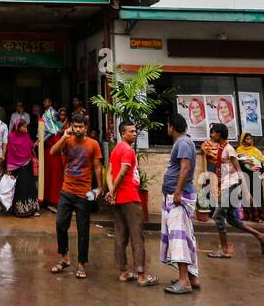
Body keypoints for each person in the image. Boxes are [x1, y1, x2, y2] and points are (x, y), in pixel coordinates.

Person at [49, 112, 103, 279]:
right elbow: (52, 152)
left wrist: (100, 188)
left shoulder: (93, 144)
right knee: (60, 224)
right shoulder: (68, 140)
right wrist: (64, 138)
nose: (78, 129)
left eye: (81, 127)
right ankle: (64, 258)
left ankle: (81, 263)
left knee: (83, 229)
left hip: (84, 192)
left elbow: (97, 167)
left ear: (86, 128)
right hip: (67, 189)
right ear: (71, 126)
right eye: (76, 126)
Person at [204, 123, 264, 258]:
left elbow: (239, 170)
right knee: (231, 218)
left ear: (219, 134)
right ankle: (261, 236)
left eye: (213, 133)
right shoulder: (222, 149)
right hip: (226, 185)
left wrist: (246, 191)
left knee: (217, 216)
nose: (211, 135)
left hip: (232, 186)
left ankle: (224, 251)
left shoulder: (229, 149)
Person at [107, 121, 157, 285]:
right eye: (131, 132)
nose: (134, 134)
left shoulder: (115, 150)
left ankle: (123, 272)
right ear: (123, 133)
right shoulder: (127, 150)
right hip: (129, 196)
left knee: (120, 235)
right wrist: (113, 191)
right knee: (137, 236)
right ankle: (141, 275)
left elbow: (109, 173)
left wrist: (111, 191)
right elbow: (121, 173)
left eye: (135, 131)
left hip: (119, 198)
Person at [160, 112, 200, 295]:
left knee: (179, 237)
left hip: (179, 196)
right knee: (186, 236)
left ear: (172, 127)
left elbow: (185, 168)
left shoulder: (183, 143)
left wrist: (177, 191)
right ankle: (192, 277)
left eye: (168, 125)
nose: (166, 128)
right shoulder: (184, 142)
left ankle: (184, 281)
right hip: (178, 194)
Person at [6, 118, 40, 218]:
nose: (26, 129)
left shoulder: (26, 136)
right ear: (18, 127)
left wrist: (35, 144)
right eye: (24, 127)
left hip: (27, 165)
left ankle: (32, 209)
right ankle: (20, 210)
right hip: (17, 168)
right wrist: (10, 169)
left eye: (26, 126)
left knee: (30, 187)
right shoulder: (11, 137)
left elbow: (29, 147)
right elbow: (11, 153)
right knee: (20, 189)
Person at [39, 96, 64, 211]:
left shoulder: (52, 113)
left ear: (49, 102)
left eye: (45, 101)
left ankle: (54, 200)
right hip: (47, 147)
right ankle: (47, 199)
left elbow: (51, 130)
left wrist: (41, 140)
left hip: (52, 146)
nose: (43, 102)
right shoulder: (46, 113)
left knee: (55, 175)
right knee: (47, 174)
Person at [236, 133, 264, 221]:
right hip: (245, 175)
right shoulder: (239, 151)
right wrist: (245, 162)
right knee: (245, 195)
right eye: (247, 139)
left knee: (257, 195)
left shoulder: (256, 151)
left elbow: (263, 164)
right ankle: (247, 215)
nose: (250, 141)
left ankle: (259, 215)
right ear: (243, 140)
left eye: (251, 139)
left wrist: (257, 167)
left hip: (255, 175)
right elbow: (236, 163)